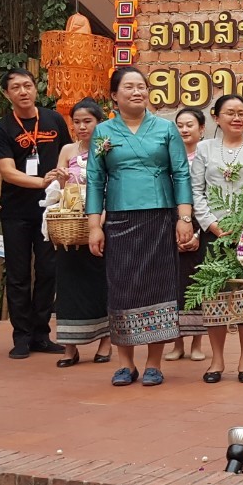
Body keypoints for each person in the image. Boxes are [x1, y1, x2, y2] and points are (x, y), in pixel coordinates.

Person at [85, 66, 194, 387]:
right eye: (129, 87)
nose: (137, 92)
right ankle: (126, 364)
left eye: (142, 86)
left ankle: (154, 363)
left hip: (159, 217)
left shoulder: (165, 128)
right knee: (122, 288)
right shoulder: (103, 132)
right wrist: (94, 226)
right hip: (119, 219)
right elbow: (95, 180)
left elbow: (181, 173)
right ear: (114, 95)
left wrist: (184, 218)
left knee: (157, 286)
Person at [0, 69, 71, 359]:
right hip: (17, 212)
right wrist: (42, 182)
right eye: (15, 87)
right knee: (19, 274)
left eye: (27, 85)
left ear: (36, 89)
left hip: (51, 209)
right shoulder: (2, 129)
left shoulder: (54, 120)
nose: (23, 91)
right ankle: (21, 337)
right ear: (7, 93)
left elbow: (67, 155)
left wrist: (62, 181)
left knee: (48, 271)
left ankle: (41, 334)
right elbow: (7, 172)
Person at [191, 94, 243, 384]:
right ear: (216, 117)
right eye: (230, 113)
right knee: (215, 296)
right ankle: (217, 359)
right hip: (215, 234)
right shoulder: (205, 148)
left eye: (242, 113)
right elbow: (196, 191)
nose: (237, 118)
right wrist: (211, 224)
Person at [51, 98, 112, 367]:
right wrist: (60, 178)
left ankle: (105, 341)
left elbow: (112, 187)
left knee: (101, 282)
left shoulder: (107, 149)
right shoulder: (67, 149)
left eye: (88, 121)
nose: (82, 127)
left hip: (101, 222)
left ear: (99, 122)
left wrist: (99, 223)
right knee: (68, 284)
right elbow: (59, 187)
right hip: (71, 223)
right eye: (76, 122)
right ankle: (69, 346)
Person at [169, 107, 207, 363]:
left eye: (189, 125)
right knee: (174, 285)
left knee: (196, 284)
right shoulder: (168, 156)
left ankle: (197, 342)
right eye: (180, 125)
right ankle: (177, 343)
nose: (184, 130)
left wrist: (198, 232)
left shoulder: (206, 156)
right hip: (172, 222)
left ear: (201, 129)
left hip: (199, 222)